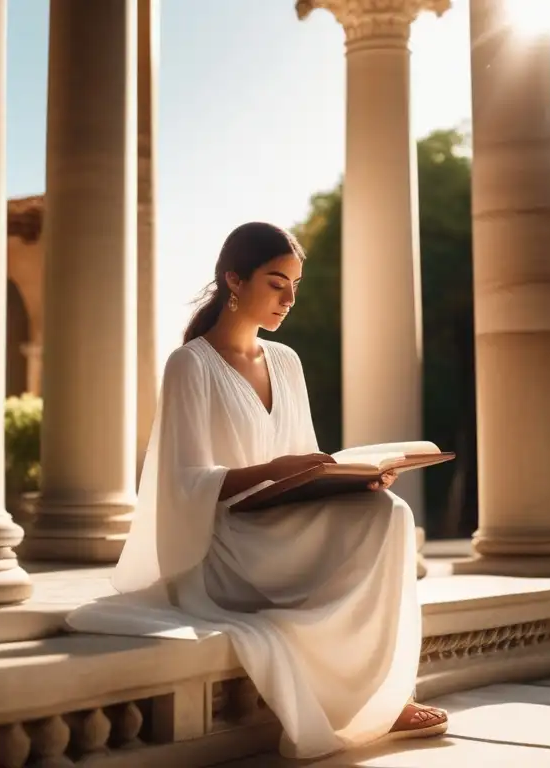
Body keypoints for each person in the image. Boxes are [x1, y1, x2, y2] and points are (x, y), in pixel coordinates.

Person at [66, 222, 447, 759]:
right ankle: (372, 697)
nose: (289, 299)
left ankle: (386, 694)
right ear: (234, 281)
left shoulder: (287, 362)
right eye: (276, 282)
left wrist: (356, 479)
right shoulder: (189, 365)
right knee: (382, 518)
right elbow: (183, 484)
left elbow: (308, 464)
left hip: (282, 523)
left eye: (295, 285)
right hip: (226, 541)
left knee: (387, 511)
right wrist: (274, 468)